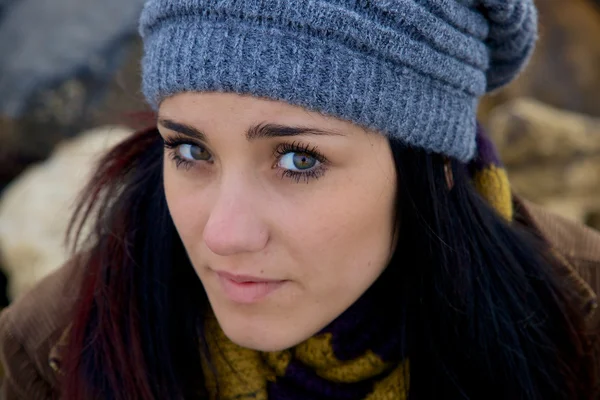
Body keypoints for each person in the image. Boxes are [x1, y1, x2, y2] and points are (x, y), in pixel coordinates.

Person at [1, 0, 599, 399]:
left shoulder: (584, 329)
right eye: (190, 151)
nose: (223, 235)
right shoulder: (47, 351)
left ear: (436, 164)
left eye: (298, 160)